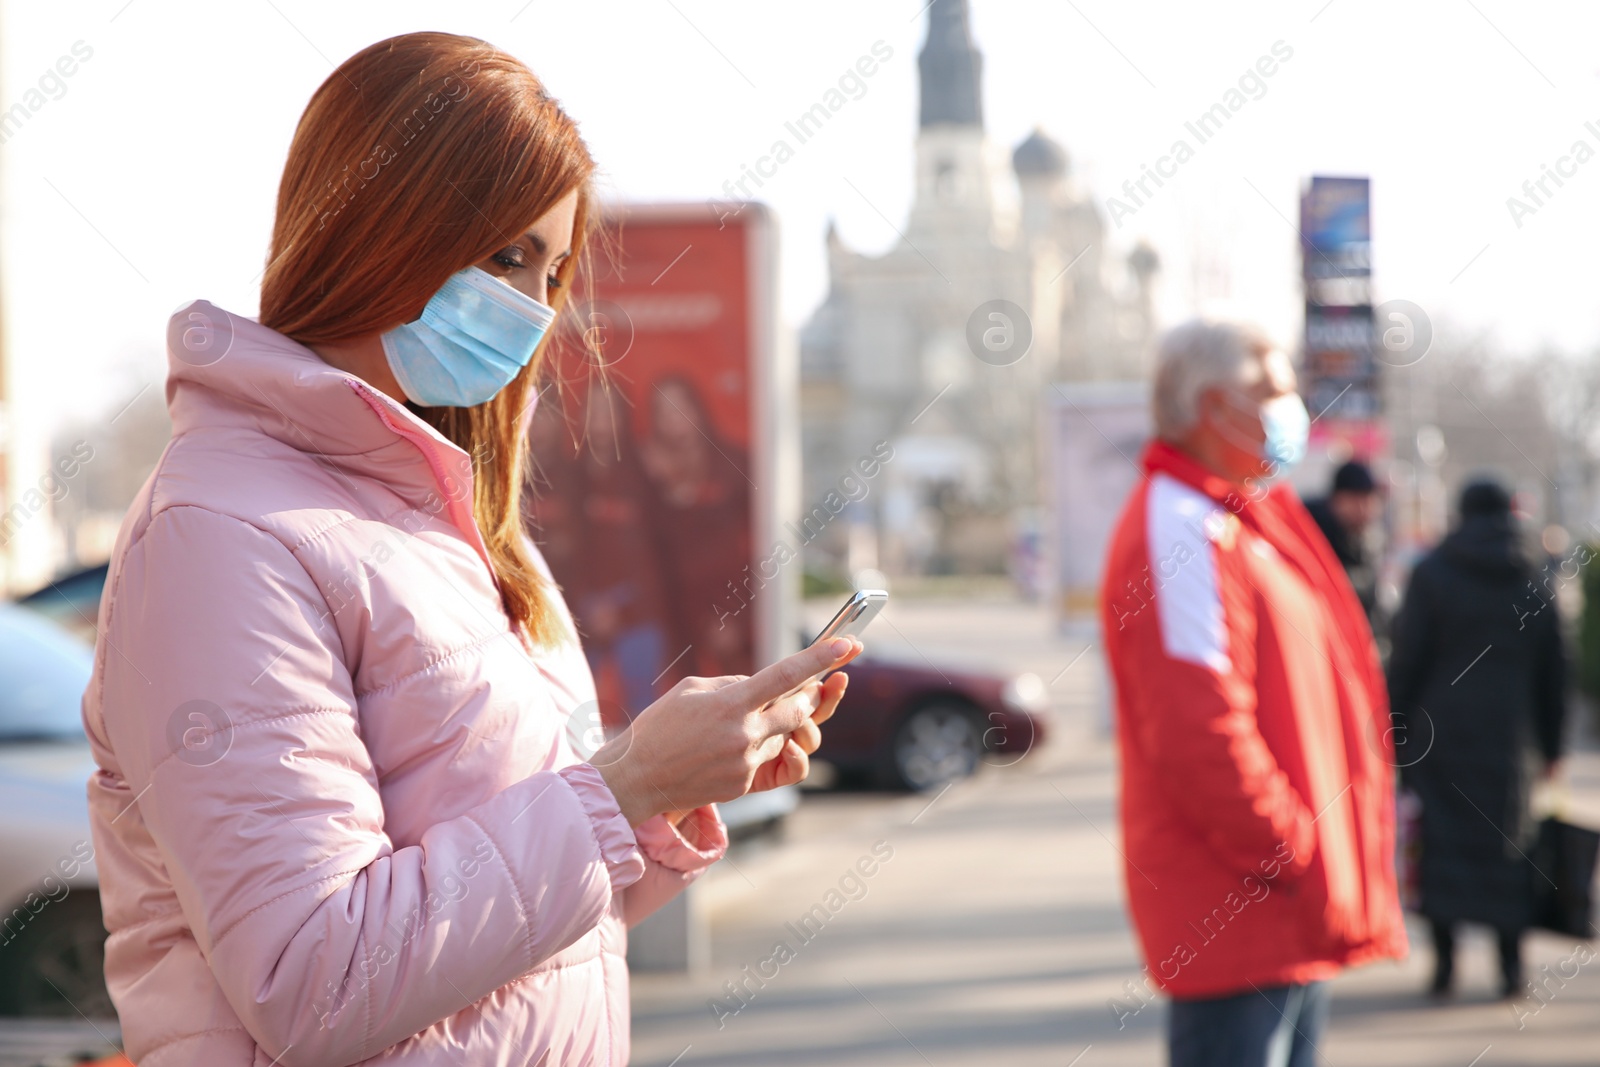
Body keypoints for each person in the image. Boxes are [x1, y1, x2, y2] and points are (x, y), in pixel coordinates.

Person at [80, 33, 861, 1066]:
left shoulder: (452, 521)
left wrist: (660, 795)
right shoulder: (219, 538)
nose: (529, 310)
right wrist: (619, 787)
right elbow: (314, 978)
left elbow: (496, 951)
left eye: (548, 268)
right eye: (503, 256)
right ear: (377, 224)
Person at [1101, 320, 1406, 1067]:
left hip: (1276, 912)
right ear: (1211, 407)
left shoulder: (1234, 515)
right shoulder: (1182, 526)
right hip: (1242, 913)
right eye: (1271, 389)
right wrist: (1294, 850)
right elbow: (1198, 730)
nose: (1291, 405)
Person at [1386, 478, 1567, 999]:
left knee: (1441, 844)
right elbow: (1554, 669)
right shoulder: (1532, 577)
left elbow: (1407, 660)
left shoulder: (1432, 574)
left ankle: (1444, 965)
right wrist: (1552, 745)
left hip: (1437, 735)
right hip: (1511, 740)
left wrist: (1395, 732)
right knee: (1509, 845)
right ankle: (1511, 966)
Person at [1304, 459, 1383, 632]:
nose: (1363, 509)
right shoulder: (1312, 534)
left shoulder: (1363, 541)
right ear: (1337, 499)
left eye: (1368, 500)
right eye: (1356, 500)